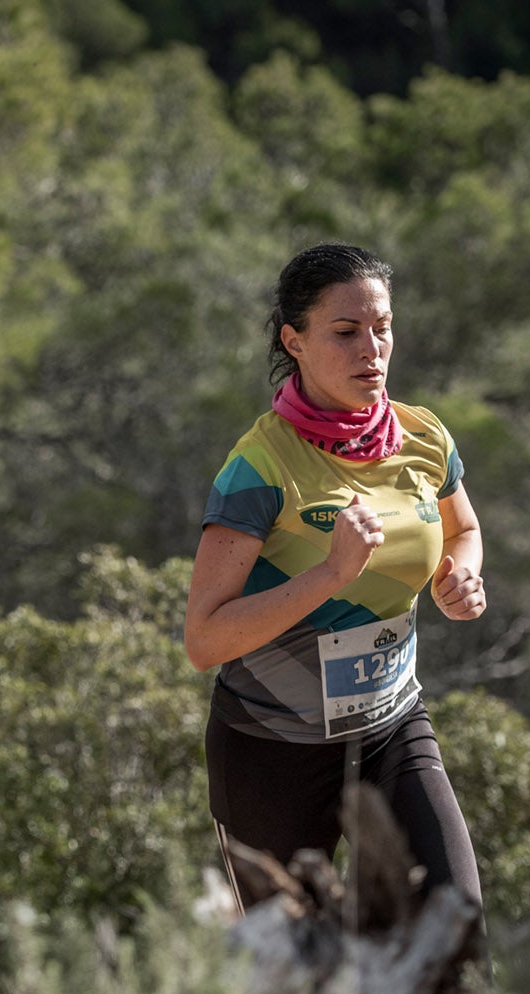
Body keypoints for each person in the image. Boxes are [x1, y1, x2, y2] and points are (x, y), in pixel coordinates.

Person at [184, 244, 487, 915]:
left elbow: (463, 530)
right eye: (345, 333)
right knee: (288, 978)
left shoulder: (425, 436)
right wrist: (329, 574)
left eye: (382, 328)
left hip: (391, 724)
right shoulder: (259, 466)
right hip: (272, 750)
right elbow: (204, 639)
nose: (370, 350)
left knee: (455, 924)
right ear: (294, 340)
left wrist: (460, 576)